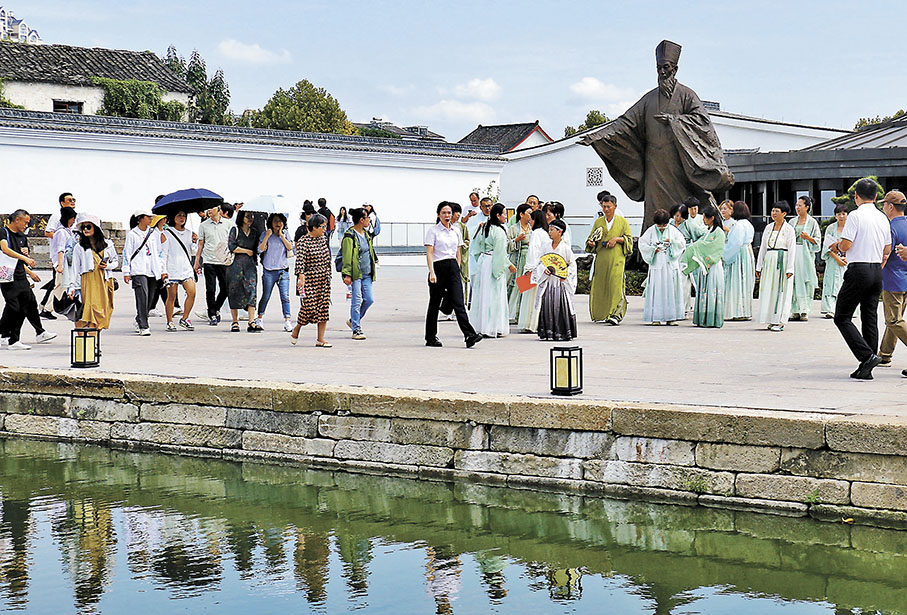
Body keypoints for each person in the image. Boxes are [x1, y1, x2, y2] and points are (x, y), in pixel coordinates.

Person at [579, 39, 734, 230]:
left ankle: (684, 237)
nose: (662, 71)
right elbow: (625, 122)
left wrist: (674, 121)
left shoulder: (686, 95)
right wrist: (597, 136)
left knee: (683, 206)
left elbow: (703, 123)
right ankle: (648, 246)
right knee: (654, 209)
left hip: (679, 164)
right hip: (654, 166)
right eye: (659, 67)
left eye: (666, 67)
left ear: (675, 69)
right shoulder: (649, 99)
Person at [834, 178, 891, 379]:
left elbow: (847, 244)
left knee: (842, 316)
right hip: (876, 269)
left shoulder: (855, 216)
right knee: (870, 316)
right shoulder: (883, 217)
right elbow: (887, 249)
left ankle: (866, 356)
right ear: (876, 197)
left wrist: (838, 246)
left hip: (858, 269)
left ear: (856, 196)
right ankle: (869, 362)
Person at [424, 201, 482, 348]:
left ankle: (469, 335)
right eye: (444, 212)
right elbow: (430, 253)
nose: (447, 215)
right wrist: (432, 272)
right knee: (434, 303)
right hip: (438, 266)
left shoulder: (456, 230)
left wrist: (458, 267)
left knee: (459, 301)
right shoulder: (433, 231)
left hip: (453, 267)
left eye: (449, 212)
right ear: (439, 215)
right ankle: (430, 337)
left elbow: (458, 251)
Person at [0, 210, 54, 350]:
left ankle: (14, 339)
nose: (26, 225)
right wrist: (25, 258)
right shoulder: (3, 232)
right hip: (7, 277)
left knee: (25, 306)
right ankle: (7, 335)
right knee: (13, 307)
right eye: (25, 222)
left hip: (21, 276)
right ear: (16, 220)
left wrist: (29, 272)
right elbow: (5, 250)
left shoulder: (22, 237)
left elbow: (19, 261)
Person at [585, 192, 633, 324]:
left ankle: (616, 314)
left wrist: (617, 239)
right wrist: (591, 243)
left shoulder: (622, 221)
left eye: (609, 207)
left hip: (617, 258)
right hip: (602, 258)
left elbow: (629, 240)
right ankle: (602, 313)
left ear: (615, 206)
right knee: (601, 285)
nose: (606, 209)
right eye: (604, 206)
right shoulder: (598, 222)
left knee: (616, 285)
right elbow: (591, 239)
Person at [469, 203, 516, 337]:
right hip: (493, 262)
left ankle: (481, 326)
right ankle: (494, 326)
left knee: (482, 294)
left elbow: (476, 247)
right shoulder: (499, 231)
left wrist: (482, 260)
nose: (506, 217)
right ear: (498, 215)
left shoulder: (485, 228)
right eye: (504, 214)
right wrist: (508, 265)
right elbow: (500, 253)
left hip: (484, 262)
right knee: (494, 295)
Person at [68, 213, 117, 333]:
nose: (85, 230)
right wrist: (71, 286)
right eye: (83, 227)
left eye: (88, 226)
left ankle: (94, 341)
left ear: (95, 227)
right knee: (90, 312)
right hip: (88, 281)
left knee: (103, 312)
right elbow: (75, 268)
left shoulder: (108, 245)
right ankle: (89, 343)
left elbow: (115, 262)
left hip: (105, 280)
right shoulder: (79, 247)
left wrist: (107, 266)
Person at [638, 208, 686, 325]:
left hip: (669, 264)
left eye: (664, 225)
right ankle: (656, 317)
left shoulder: (673, 231)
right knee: (657, 290)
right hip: (657, 264)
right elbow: (642, 244)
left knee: (670, 289)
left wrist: (672, 245)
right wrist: (653, 249)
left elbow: (682, 243)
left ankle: (671, 317)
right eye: (659, 225)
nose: (661, 227)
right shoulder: (650, 231)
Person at [291, 213, 332, 347]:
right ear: (313, 227)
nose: (324, 229)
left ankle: (320, 339)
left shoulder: (323, 239)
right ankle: (297, 327)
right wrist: (300, 276)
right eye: (322, 227)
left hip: (324, 279)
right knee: (309, 307)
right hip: (310, 280)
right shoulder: (304, 241)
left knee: (323, 308)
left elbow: (327, 258)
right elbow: (300, 260)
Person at [681, 205, 726, 328]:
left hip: (713, 266)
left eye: (705, 217)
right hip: (704, 266)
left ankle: (712, 320)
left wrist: (697, 246)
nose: (703, 219)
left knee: (712, 291)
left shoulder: (719, 233)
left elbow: (716, 249)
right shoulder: (708, 231)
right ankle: (703, 319)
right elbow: (703, 245)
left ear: (711, 218)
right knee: (704, 291)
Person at [533, 219, 577, 341]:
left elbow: (572, 265)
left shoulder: (566, 249)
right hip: (548, 281)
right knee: (547, 305)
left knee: (560, 306)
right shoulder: (546, 246)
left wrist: (565, 275)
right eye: (549, 229)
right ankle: (547, 332)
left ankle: (562, 332)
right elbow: (540, 262)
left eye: (552, 230)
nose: (549, 232)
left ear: (560, 232)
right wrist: (544, 269)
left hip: (560, 283)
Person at [122, 208, 164, 336]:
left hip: (152, 269)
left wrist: (162, 270)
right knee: (142, 297)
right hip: (138, 269)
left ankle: (140, 318)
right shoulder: (132, 235)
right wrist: (126, 271)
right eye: (148, 217)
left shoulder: (153, 234)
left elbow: (159, 253)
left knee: (150, 299)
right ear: (140, 218)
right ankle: (144, 325)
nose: (151, 219)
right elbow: (127, 253)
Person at [756, 201, 797, 331]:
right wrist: (759, 266)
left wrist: (790, 268)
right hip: (769, 260)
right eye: (773, 210)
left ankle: (779, 320)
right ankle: (770, 318)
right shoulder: (768, 227)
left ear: (784, 214)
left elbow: (792, 249)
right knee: (769, 289)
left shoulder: (789, 229)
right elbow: (763, 247)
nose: (774, 213)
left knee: (781, 289)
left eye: (777, 211)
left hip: (782, 260)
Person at [878, 191, 907, 367]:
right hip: (905, 279)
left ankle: (884, 354)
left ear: (890, 207)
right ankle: (884, 354)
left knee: (893, 320)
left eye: (884, 205)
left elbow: (885, 255)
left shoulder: (890, 228)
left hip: (892, 280)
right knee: (895, 319)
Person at [39, 192, 77, 319]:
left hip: (68, 259)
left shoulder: (72, 221)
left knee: (58, 283)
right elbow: (48, 232)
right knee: (58, 284)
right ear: (62, 203)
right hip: (60, 258)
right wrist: (61, 239)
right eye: (69, 200)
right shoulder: (57, 217)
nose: (73, 202)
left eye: (74, 199)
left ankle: (47, 306)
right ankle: (47, 307)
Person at [341, 207, 377, 341]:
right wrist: (347, 274)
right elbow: (347, 256)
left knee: (369, 299)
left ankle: (353, 320)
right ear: (361, 220)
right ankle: (356, 328)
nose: (368, 220)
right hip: (355, 274)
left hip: (367, 273)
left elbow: (370, 252)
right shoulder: (350, 236)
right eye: (367, 218)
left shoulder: (366, 234)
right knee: (356, 301)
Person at [195, 203, 232, 326]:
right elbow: (200, 244)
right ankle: (212, 315)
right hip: (208, 260)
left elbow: (232, 242)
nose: (209, 210)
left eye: (212, 208)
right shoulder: (203, 225)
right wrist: (197, 261)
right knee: (210, 289)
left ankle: (215, 308)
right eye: (208, 208)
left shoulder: (228, 224)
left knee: (225, 289)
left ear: (219, 209)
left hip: (223, 261)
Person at [257, 213, 294, 332]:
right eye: (275, 221)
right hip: (269, 271)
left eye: (280, 221)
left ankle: (287, 320)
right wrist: (267, 236)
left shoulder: (286, 234)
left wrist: (282, 236)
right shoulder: (265, 234)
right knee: (266, 295)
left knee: (285, 297)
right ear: (271, 223)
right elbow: (260, 249)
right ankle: (259, 318)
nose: (278, 224)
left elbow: (290, 248)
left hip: (282, 270)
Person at [227, 210, 262, 333]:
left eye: (251, 216)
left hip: (250, 266)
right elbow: (231, 246)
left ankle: (251, 321)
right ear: (242, 217)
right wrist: (246, 251)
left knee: (252, 290)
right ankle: (235, 321)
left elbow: (258, 248)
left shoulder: (254, 232)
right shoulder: (235, 230)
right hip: (235, 266)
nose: (250, 219)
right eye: (247, 216)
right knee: (234, 291)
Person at [161, 210, 196, 332]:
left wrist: (194, 242)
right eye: (179, 215)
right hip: (172, 269)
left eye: (184, 216)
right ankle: (169, 321)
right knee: (172, 296)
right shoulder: (167, 233)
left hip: (186, 268)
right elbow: (164, 253)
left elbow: (192, 252)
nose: (182, 218)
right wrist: (163, 270)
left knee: (192, 292)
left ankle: (185, 318)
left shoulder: (189, 233)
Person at [518, 210, 550, 333]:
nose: (529, 221)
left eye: (531, 219)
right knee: (539, 297)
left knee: (532, 298)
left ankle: (531, 324)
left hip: (535, 268)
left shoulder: (536, 233)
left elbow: (533, 251)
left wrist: (529, 268)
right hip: (543, 268)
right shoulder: (545, 233)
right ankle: (537, 323)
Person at [722, 201, 755, 321]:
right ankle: (745, 310)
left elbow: (735, 243)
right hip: (747, 252)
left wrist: (725, 254)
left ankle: (735, 311)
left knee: (735, 282)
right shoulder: (748, 224)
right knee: (745, 282)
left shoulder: (738, 225)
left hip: (739, 255)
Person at [790, 195, 821, 321]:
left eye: (800, 205)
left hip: (805, 254)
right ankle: (795, 310)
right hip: (793, 253)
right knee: (794, 281)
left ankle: (805, 310)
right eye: (796, 205)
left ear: (807, 207)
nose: (797, 208)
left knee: (805, 281)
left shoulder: (812, 222)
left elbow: (818, 241)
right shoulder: (792, 222)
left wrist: (809, 238)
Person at [821, 204, 849, 318]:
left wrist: (846, 257)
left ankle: (846, 310)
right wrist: (837, 258)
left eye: (843, 213)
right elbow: (827, 247)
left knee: (846, 284)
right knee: (831, 284)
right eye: (839, 214)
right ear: (835, 216)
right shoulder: (831, 228)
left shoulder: (851, 227)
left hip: (848, 261)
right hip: (833, 260)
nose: (841, 216)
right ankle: (830, 309)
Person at [505, 204, 532, 323]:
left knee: (525, 286)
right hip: (516, 259)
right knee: (513, 285)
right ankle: (509, 313)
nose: (531, 215)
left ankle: (520, 314)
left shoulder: (532, 228)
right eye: (529, 213)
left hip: (527, 260)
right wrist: (516, 240)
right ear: (521, 214)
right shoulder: (513, 229)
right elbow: (505, 245)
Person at [335, 207, 353, 300]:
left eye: (343, 210)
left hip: (345, 235)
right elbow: (337, 225)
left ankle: (350, 289)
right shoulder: (338, 218)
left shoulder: (347, 219)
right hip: (340, 235)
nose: (342, 211)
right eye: (341, 210)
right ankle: (350, 288)